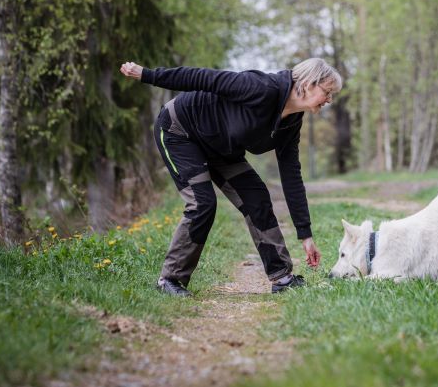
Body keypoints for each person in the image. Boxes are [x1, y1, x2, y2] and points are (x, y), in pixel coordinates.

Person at [119, 58, 342, 296]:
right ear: (308, 84)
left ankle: (282, 278)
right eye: (327, 92)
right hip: (180, 130)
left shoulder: (292, 122)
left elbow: (291, 176)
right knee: (202, 203)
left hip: (220, 149)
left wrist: (305, 235)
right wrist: (148, 75)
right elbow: (202, 77)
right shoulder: (261, 87)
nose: (329, 100)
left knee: (256, 197)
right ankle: (170, 280)